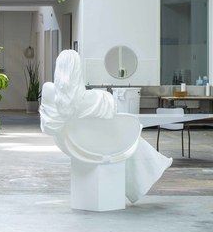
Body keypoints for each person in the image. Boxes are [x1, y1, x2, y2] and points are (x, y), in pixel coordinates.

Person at [40, 50, 172, 203]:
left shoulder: (49, 90)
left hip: (71, 144)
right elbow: (112, 112)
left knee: (121, 139)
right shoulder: (95, 97)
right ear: (78, 70)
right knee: (129, 140)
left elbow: (48, 126)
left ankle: (151, 168)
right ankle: (151, 169)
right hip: (94, 145)